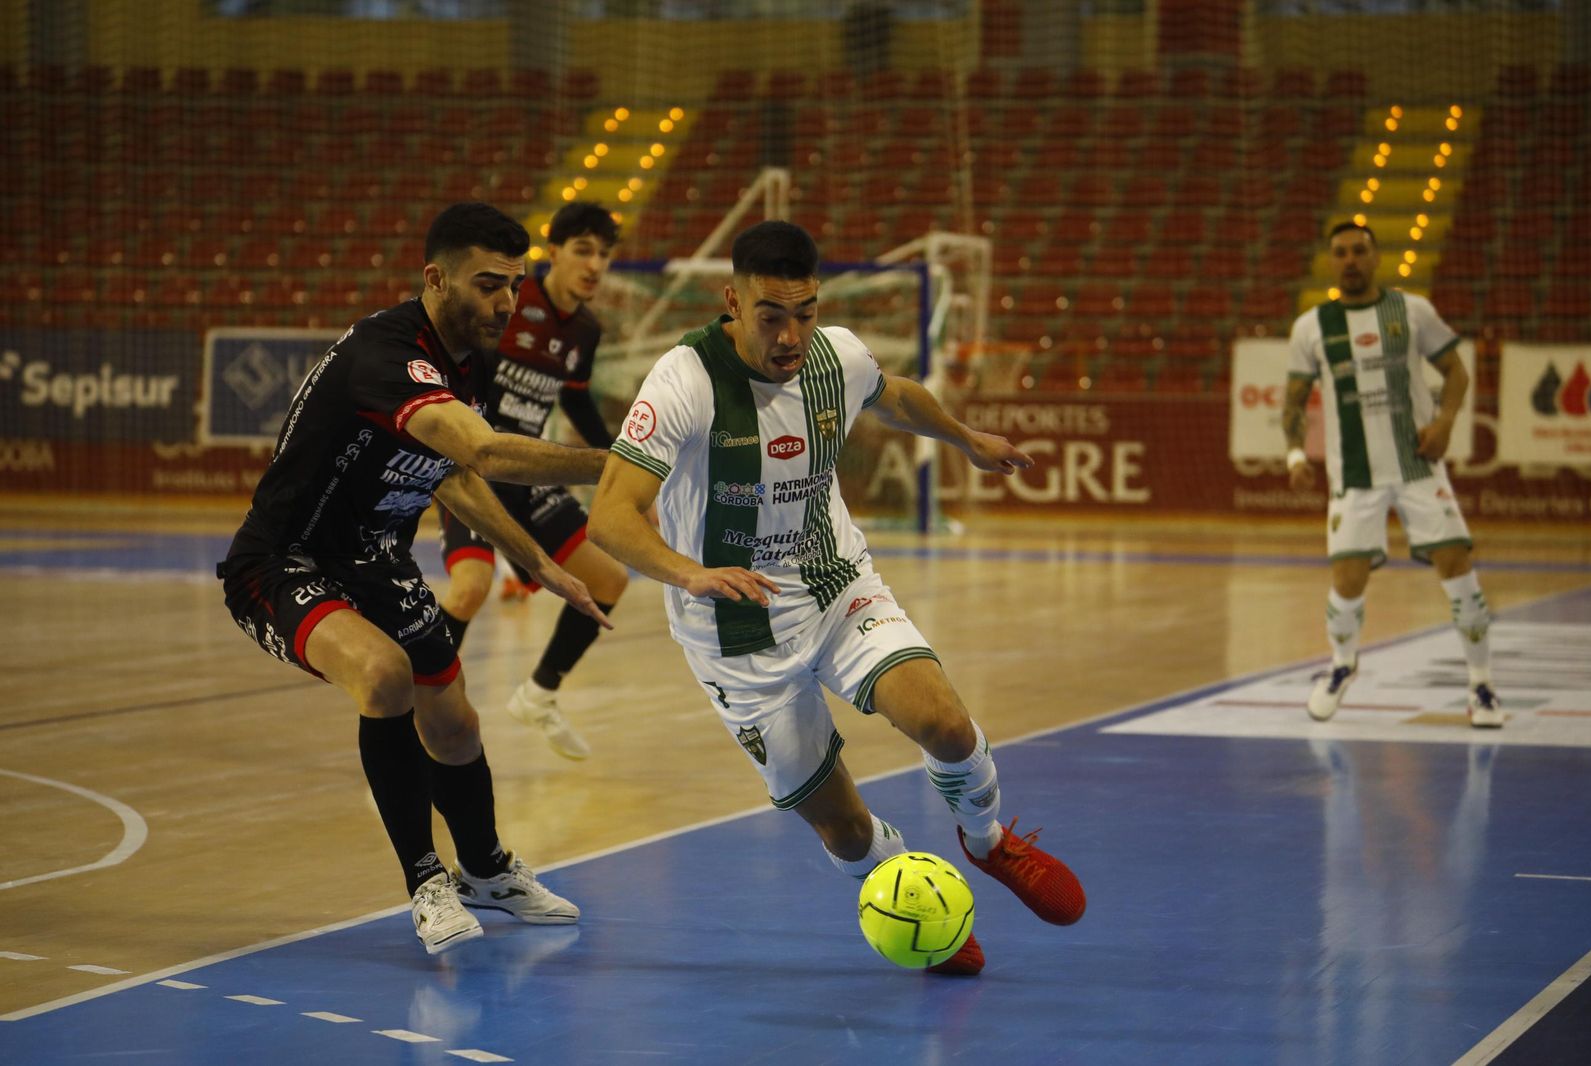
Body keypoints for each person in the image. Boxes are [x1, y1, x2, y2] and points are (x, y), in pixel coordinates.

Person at [587, 220, 1087, 977]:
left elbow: (895, 397)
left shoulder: (836, 356)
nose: (791, 336)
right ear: (733, 302)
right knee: (845, 830)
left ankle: (988, 843)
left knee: (948, 726)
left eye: (806, 312)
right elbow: (609, 515)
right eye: (771, 316)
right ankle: (917, 913)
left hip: (835, 585)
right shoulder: (683, 381)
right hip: (734, 632)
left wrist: (965, 438)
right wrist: (688, 572)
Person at [217, 202, 613, 955]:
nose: (505, 302)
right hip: (282, 560)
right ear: (436, 279)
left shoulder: (468, 356)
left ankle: (486, 871)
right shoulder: (387, 355)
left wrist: (540, 564)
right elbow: (486, 452)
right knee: (385, 674)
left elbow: (454, 474)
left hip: (376, 560)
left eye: (513, 286)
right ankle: (427, 880)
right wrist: (629, 463)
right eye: (488, 284)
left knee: (455, 723)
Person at [1283, 220, 1502, 728]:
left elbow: (1457, 371)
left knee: (1457, 567)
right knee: (1347, 580)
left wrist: (1444, 423)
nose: (1350, 260)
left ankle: (1482, 685)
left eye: (1359, 251)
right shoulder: (1311, 327)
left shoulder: (1413, 310)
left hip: (1417, 467)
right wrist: (1295, 456)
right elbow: (1293, 401)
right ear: (1331, 261)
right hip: (1354, 476)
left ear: (1376, 257)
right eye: (1341, 252)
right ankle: (1342, 666)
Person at [434, 201, 630, 760]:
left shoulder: (586, 330)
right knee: (470, 589)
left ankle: (539, 695)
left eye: (604, 254)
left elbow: (576, 401)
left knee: (609, 580)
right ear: (554, 252)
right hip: (476, 467)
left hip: (530, 470)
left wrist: (620, 459)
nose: (595, 265)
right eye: (584, 250)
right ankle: (420, 717)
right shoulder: (508, 304)